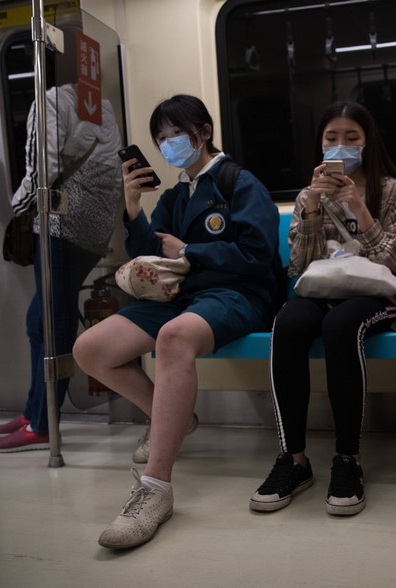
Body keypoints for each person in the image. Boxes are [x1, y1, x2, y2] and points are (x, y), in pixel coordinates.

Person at [72, 94, 280, 549]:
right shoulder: (174, 196)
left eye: (176, 135)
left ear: (203, 132)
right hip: (181, 295)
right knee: (90, 349)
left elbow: (259, 255)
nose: (168, 145)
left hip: (238, 293)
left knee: (173, 337)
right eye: (160, 139)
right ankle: (174, 416)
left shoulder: (239, 183)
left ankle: (155, 489)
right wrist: (132, 211)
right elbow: (150, 253)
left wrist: (190, 251)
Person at [249, 101, 396, 516]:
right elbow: (298, 266)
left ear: (368, 143)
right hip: (320, 291)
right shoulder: (305, 197)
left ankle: (349, 459)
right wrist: (313, 206)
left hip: (377, 295)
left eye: (352, 138)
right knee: (289, 322)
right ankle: (293, 459)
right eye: (332, 138)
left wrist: (360, 210)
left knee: (341, 325)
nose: (341, 146)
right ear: (320, 145)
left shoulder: (391, 190)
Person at [0, 83, 121, 453]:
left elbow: (40, 169)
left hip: (60, 223)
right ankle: (34, 410)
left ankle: (44, 424)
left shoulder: (48, 100)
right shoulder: (102, 104)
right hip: (94, 226)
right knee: (39, 321)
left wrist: (18, 208)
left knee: (53, 323)